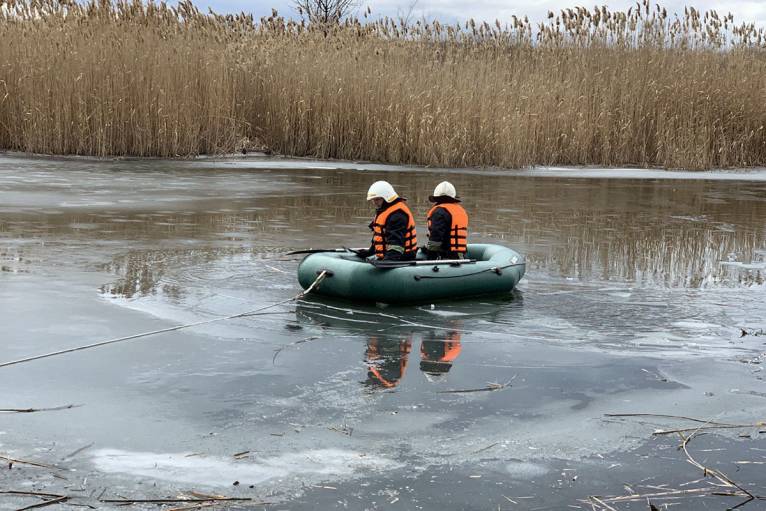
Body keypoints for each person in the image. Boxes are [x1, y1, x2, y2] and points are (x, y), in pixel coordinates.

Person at [356, 180, 418, 262]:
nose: (374, 203)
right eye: (373, 200)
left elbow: (396, 243)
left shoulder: (397, 215)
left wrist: (388, 261)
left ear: (387, 198)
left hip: (402, 257)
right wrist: (370, 252)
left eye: (377, 200)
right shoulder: (385, 211)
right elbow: (380, 236)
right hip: (388, 254)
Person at [424, 181, 468, 259]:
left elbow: (436, 238)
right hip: (460, 255)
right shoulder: (460, 210)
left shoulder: (439, 212)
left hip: (446, 257)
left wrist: (430, 258)